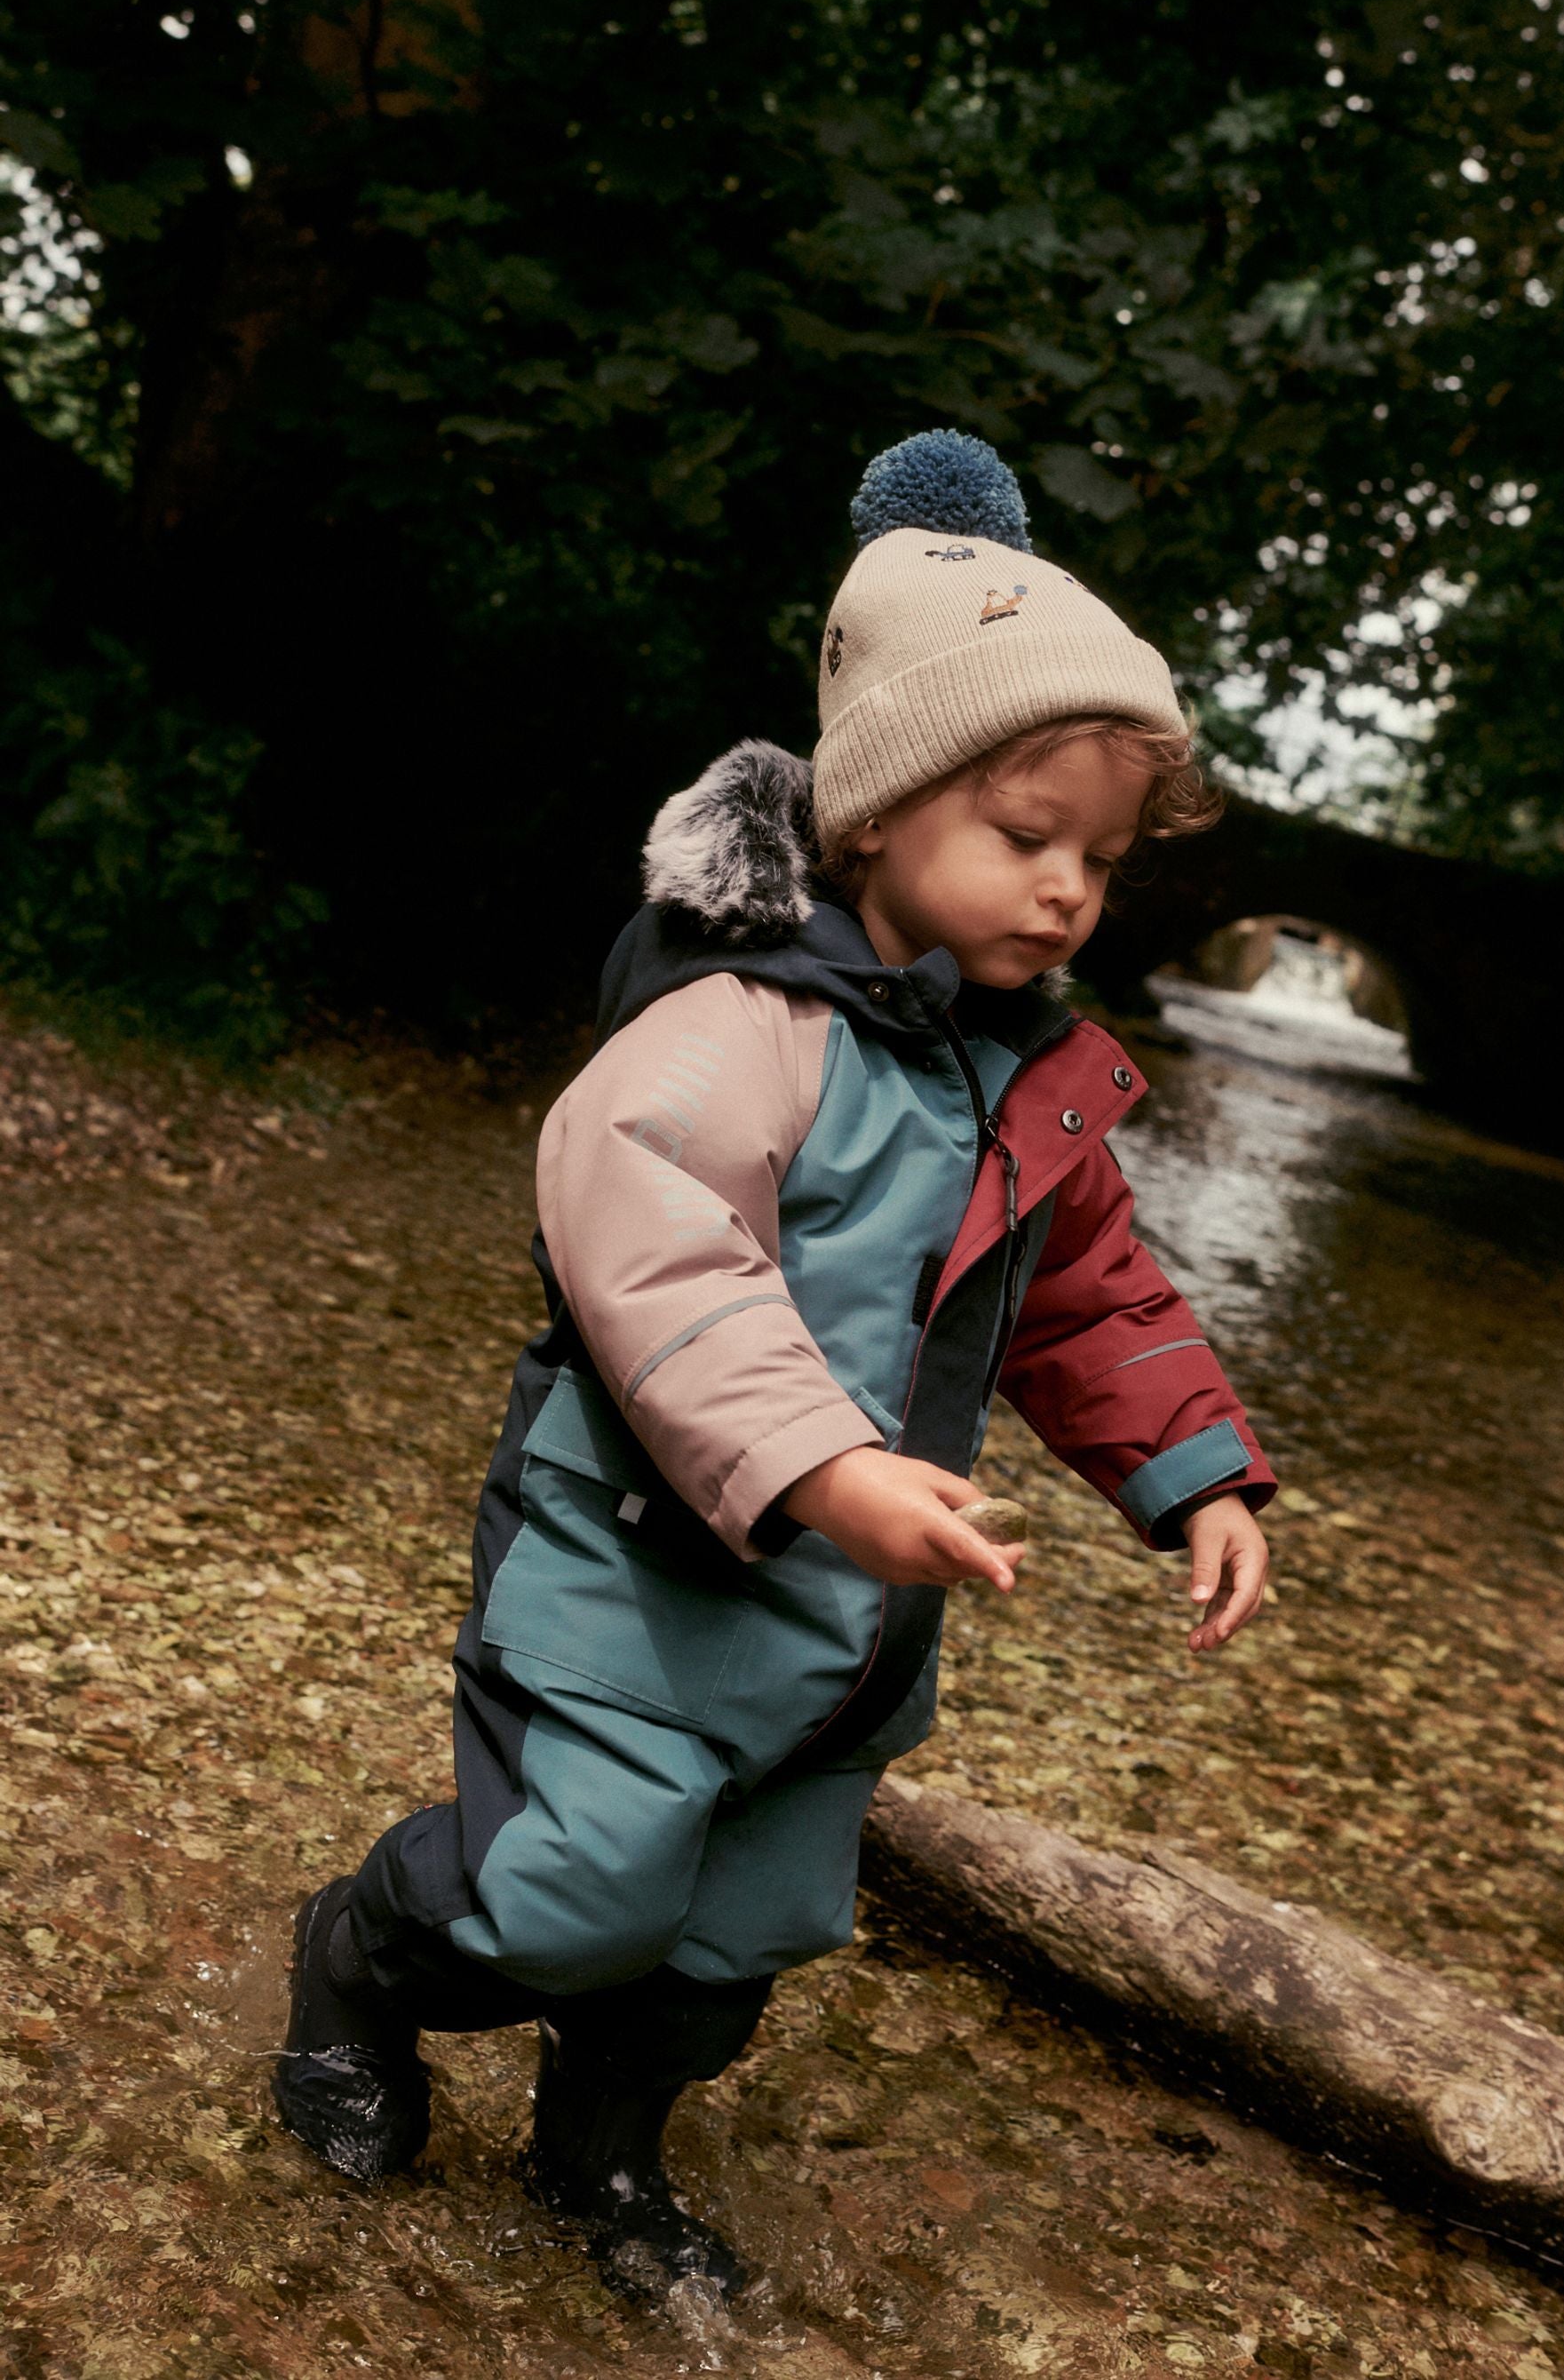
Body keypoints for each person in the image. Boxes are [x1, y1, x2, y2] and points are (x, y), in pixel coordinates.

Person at [272, 428, 1277, 2299]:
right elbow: (648, 1238)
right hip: (643, 1577)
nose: (1069, 891)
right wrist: (820, 1465)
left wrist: (1195, 1470)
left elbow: (1088, 1296)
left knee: (740, 1934)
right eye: (1026, 837)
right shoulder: (742, 1019)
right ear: (882, 808)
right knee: (566, 1891)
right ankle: (356, 1967)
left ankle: (604, 2151)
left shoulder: (1030, 1075)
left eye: (1103, 860)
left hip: (842, 1635)